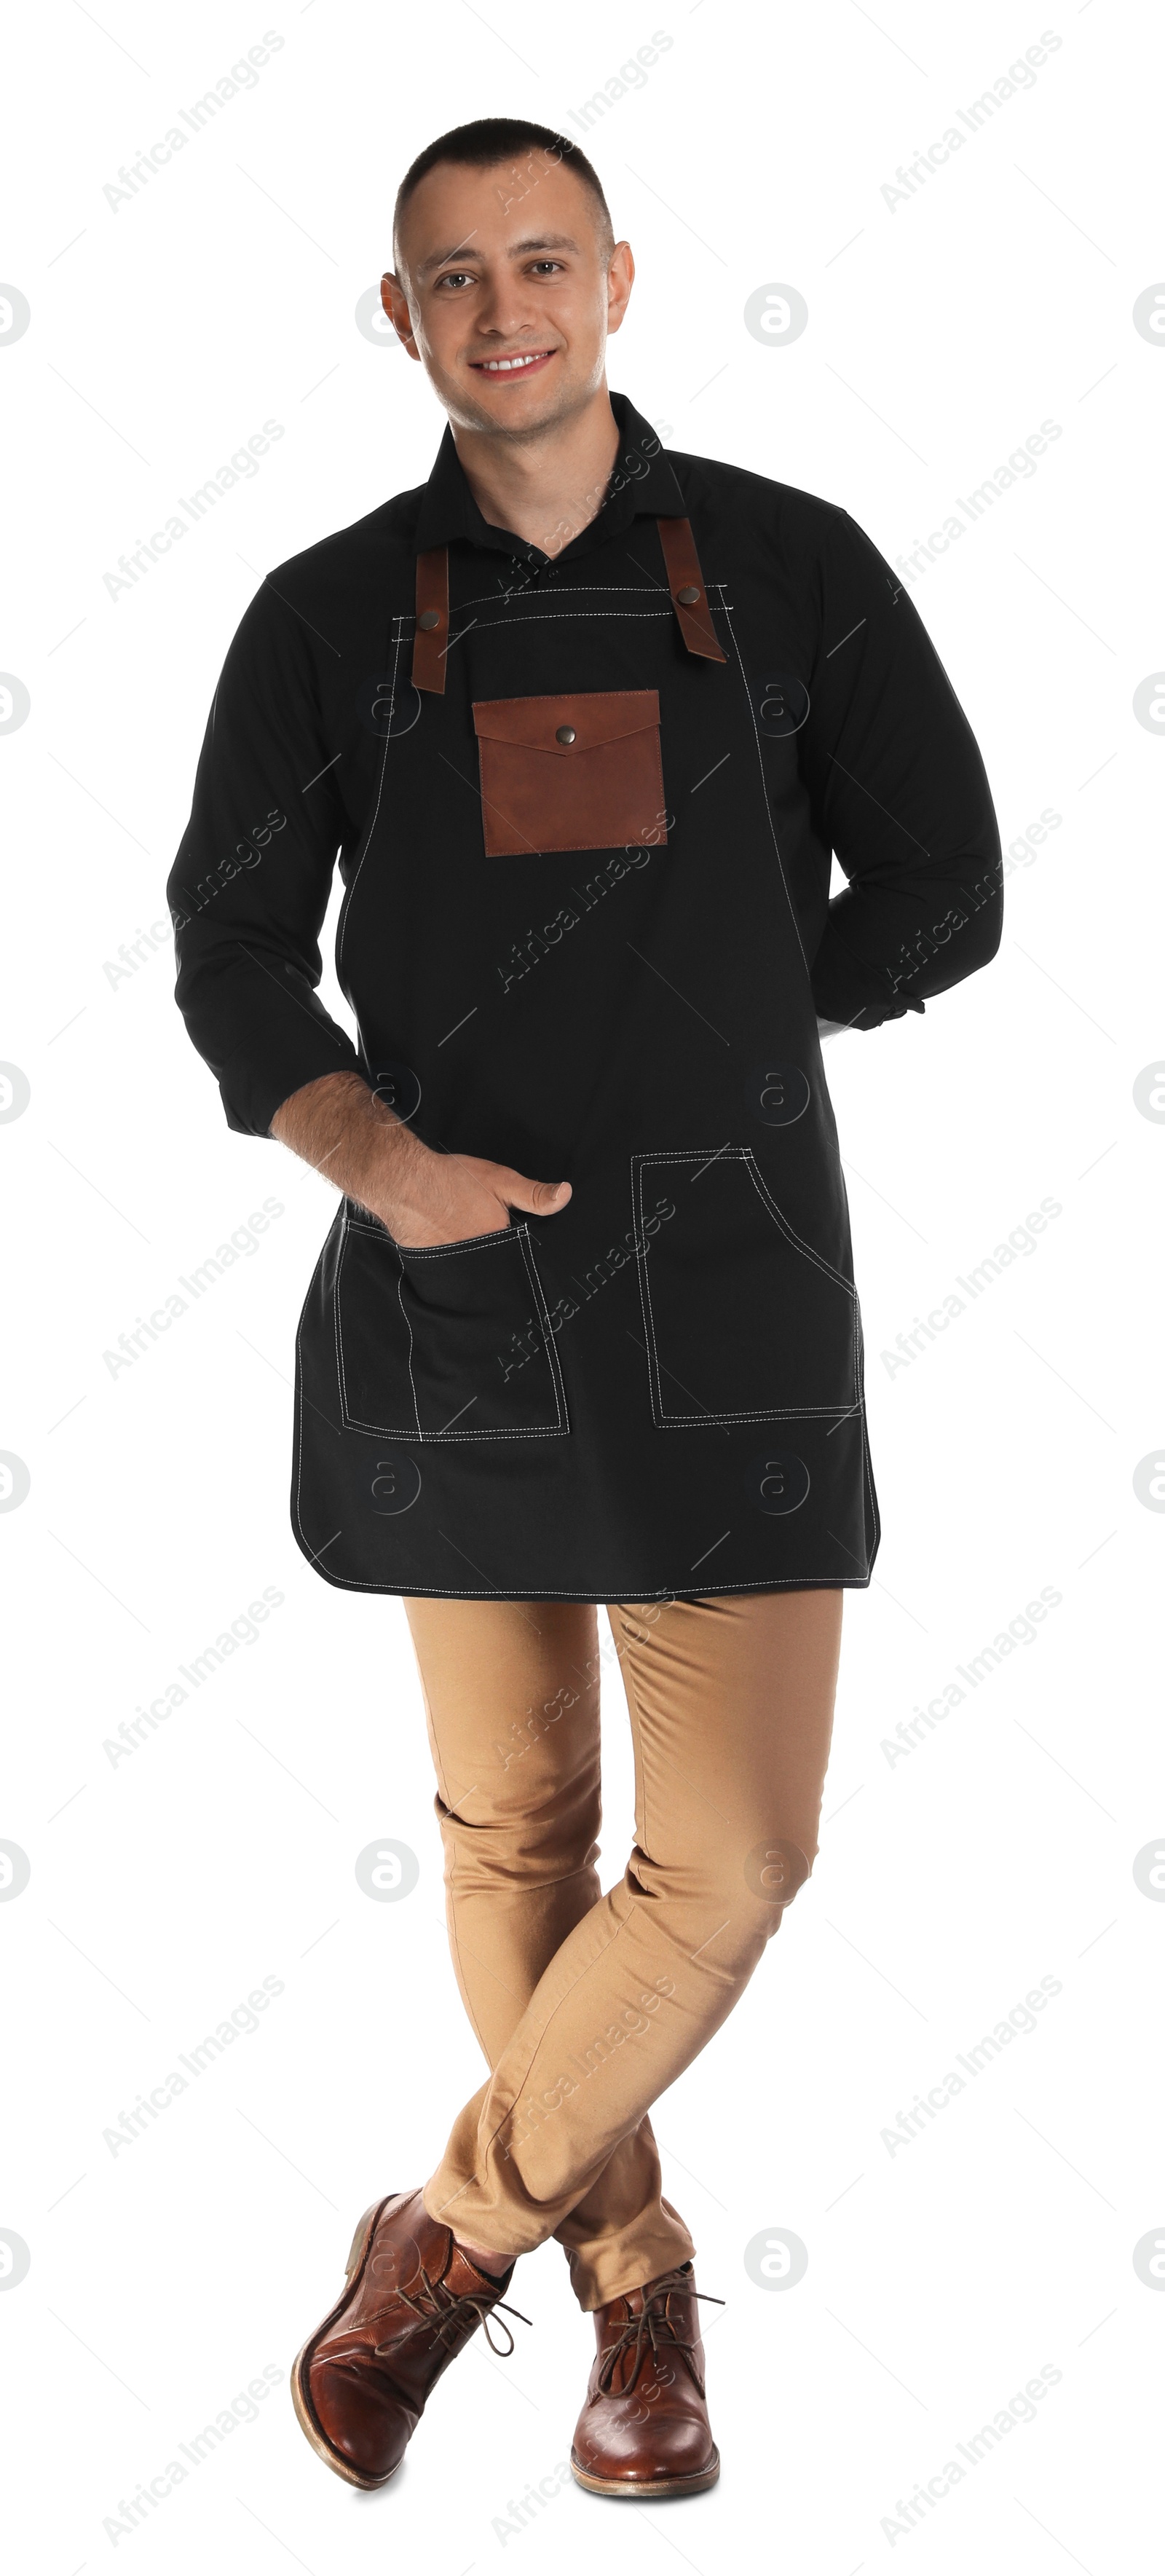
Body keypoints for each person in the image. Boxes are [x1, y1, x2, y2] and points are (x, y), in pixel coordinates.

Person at [167, 117, 1002, 2500]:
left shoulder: (792, 568)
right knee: (519, 1824)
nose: (503, 306)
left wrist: (739, 1036)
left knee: (730, 1858)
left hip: (736, 1294)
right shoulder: (325, 614)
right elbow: (228, 953)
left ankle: (445, 2230)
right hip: (464, 1297)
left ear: (621, 280)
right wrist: (380, 1161)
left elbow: (944, 884)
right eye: (452, 276)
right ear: (404, 319)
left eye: (543, 260)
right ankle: (637, 2298)